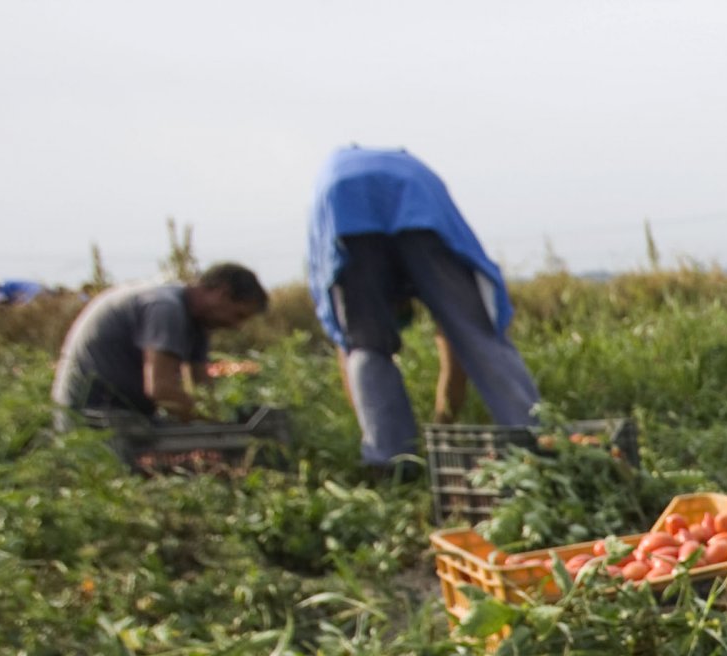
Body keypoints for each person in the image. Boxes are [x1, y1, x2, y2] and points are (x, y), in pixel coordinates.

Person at [307, 145, 540, 469]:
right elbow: (462, 342)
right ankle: (534, 439)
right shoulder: (401, 167)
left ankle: (389, 463)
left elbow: (352, 355)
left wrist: (433, 423)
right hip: (411, 193)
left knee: (365, 346)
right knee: (475, 331)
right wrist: (444, 420)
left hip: (346, 204)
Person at [50, 264, 267, 428]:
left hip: (127, 415)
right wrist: (220, 427)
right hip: (91, 417)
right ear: (221, 293)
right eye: (238, 315)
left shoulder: (197, 323)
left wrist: (215, 416)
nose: (236, 325)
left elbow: (202, 388)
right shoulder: (166, 308)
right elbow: (161, 390)